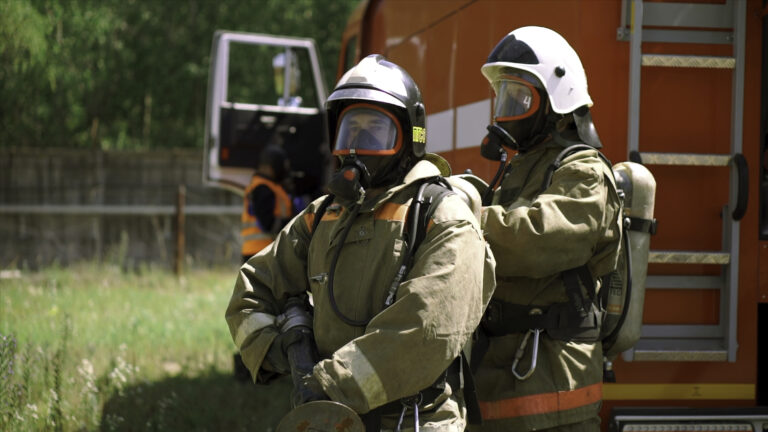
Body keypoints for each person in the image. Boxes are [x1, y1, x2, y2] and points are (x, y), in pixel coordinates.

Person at [226, 54, 495, 431]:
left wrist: (323, 385)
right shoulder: (322, 215)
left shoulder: (443, 216)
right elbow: (252, 289)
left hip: (412, 421)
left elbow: (424, 332)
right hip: (329, 420)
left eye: (374, 132)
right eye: (349, 130)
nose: (356, 146)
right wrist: (289, 353)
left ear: (410, 137)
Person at [471, 27, 622, 431]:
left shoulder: (583, 171)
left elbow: (537, 240)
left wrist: (462, 220)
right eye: (504, 96)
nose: (506, 111)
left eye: (519, 98)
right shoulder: (525, 166)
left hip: (552, 386)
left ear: (558, 101)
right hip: (507, 370)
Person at [240, 145, 292, 263]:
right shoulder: (263, 188)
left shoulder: (267, 186)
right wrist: (293, 223)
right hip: (261, 253)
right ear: (268, 167)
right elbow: (268, 223)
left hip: (259, 252)